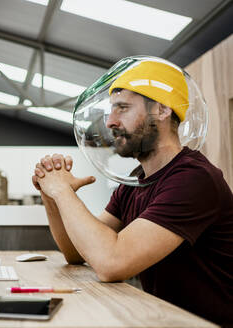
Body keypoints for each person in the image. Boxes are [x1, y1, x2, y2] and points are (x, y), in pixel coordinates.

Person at [32, 60, 233, 326]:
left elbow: (111, 262)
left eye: (123, 108)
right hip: (164, 320)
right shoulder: (136, 182)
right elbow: (78, 254)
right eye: (111, 111)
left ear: (161, 109)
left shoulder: (193, 179)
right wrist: (53, 196)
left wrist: (62, 191)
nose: (111, 122)